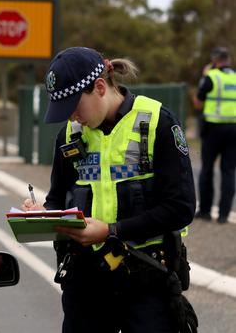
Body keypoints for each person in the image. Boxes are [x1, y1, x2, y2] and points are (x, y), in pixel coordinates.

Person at [22, 47, 196, 333]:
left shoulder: (157, 123)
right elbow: (57, 198)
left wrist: (110, 231)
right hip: (85, 282)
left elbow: (181, 208)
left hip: (147, 280)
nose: (72, 118)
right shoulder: (69, 135)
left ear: (100, 87)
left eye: (74, 107)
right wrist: (43, 213)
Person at [193, 47, 236, 224]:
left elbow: (197, 103)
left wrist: (204, 76)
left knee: (207, 169)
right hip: (233, 128)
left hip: (213, 129)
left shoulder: (211, 77)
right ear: (229, 61)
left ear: (214, 61)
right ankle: (224, 215)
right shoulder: (234, 78)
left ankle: (205, 211)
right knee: (228, 171)